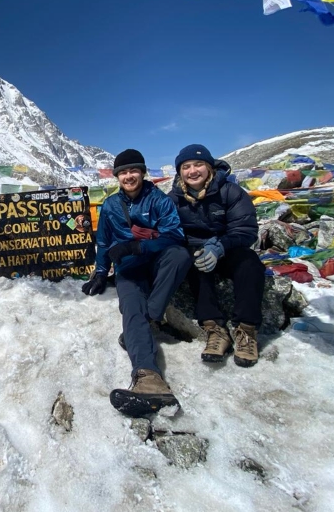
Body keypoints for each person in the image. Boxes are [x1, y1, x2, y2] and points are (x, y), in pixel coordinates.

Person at [82, 149, 192, 417]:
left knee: (180, 255)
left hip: (155, 262)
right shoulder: (109, 206)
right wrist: (99, 271)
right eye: (123, 172)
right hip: (129, 271)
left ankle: (151, 316)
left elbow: (174, 236)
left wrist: (138, 247)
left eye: (133, 170)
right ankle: (149, 378)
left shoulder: (159, 200)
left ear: (142, 172)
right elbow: (104, 242)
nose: (128, 176)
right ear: (117, 176)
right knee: (131, 307)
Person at [168, 144, 265, 368]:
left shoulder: (230, 192)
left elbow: (246, 230)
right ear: (180, 172)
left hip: (228, 249)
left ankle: (247, 331)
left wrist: (220, 246)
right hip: (196, 249)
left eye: (198, 164)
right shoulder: (173, 199)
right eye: (186, 166)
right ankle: (215, 329)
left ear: (209, 167)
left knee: (250, 264)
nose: (192, 171)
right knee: (193, 265)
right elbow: (168, 231)